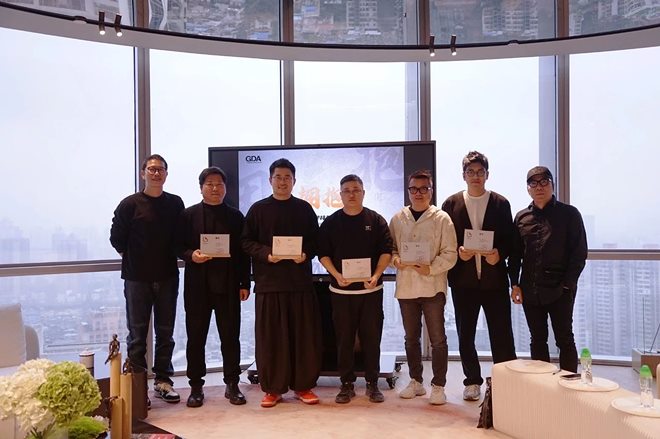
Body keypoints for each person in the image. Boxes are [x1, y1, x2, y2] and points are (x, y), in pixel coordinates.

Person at [241, 158, 322, 408]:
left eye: (287, 177)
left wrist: (305, 254)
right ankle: (272, 389)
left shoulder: (304, 209)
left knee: (303, 338)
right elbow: (245, 242)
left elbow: (316, 240)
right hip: (269, 284)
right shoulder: (258, 209)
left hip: (300, 284)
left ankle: (303, 386)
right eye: (278, 177)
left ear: (294, 181)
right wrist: (267, 253)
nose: (283, 181)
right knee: (271, 340)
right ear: (270, 180)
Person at [441, 151, 517, 402]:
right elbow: (446, 240)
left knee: (501, 333)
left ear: (487, 174)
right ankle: (472, 381)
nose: (476, 176)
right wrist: (458, 253)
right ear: (463, 175)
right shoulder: (451, 204)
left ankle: (505, 381)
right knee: (466, 334)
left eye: (480, 172)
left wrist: (500, 254)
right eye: (470, 172)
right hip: (463, 281)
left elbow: (510, 239)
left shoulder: (500, 203)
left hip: (494, 279)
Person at [110, 153, 184, 404]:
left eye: (160, 169)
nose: (156, 173)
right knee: (137, 336)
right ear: (143, 173)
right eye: (151, 169)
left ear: (166, 174)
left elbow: (181, 236)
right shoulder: (129, 204)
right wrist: (135, 258)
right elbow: (117, 238)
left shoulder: (175, 203)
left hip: (167, 277)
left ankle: (163, 382)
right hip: (136, 279)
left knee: (166, 333)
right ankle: (137, 389)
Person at [176, 167, 251, 408]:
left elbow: (243, 253)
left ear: (225, 188)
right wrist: (192, 255)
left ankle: (232, 384)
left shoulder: (235, 216)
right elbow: (177, 246)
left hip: (228, 285)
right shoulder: (188, 215)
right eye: (209, 184)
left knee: (230, 337)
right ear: (201, 188)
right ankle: (196, 387)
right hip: (197, 285)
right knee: (196, 338)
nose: (215, 188)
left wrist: (244, 283)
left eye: (219, 184)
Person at [318, 174, 393, 404]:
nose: (352, 194)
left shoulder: (376, 220)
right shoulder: (331, 222)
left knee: (372, 338)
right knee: (344, 340)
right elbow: (323, 254)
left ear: (363, 192)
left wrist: (376, 275)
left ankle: (373, 383)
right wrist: (336, 275)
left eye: (356, 190)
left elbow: (386, 251)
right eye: (347, 191)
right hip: (341, 293)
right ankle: (346, 384)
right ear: (340, 194)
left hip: (370, 291)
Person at [509, 166, 588, 373]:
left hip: (560, 289)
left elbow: (579, 253)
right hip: (530, 289)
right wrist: (514, 284)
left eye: (544, 182)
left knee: (564, 338)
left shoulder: (569, 214)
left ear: (552, 185)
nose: (539, 187)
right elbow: (515, 255)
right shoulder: (521, 217)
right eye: (533, 183)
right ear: (528, 189)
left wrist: (567, 285)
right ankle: (541, 383)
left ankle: (569, 383)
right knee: (537, 339)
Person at [390, 169, 457, 405]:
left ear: (431, 191)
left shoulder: (442, 218)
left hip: (432, 286)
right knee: (411, 338)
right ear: (408, 191)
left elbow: (450, 253)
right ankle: (416, 381)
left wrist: (430, 268)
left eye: (423, 188)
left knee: (438, 340)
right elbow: (391, 249)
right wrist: (396, 260)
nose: (418, 193)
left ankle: (438, 386)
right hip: (407, 287)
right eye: (414, 189)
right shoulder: (398, 218)